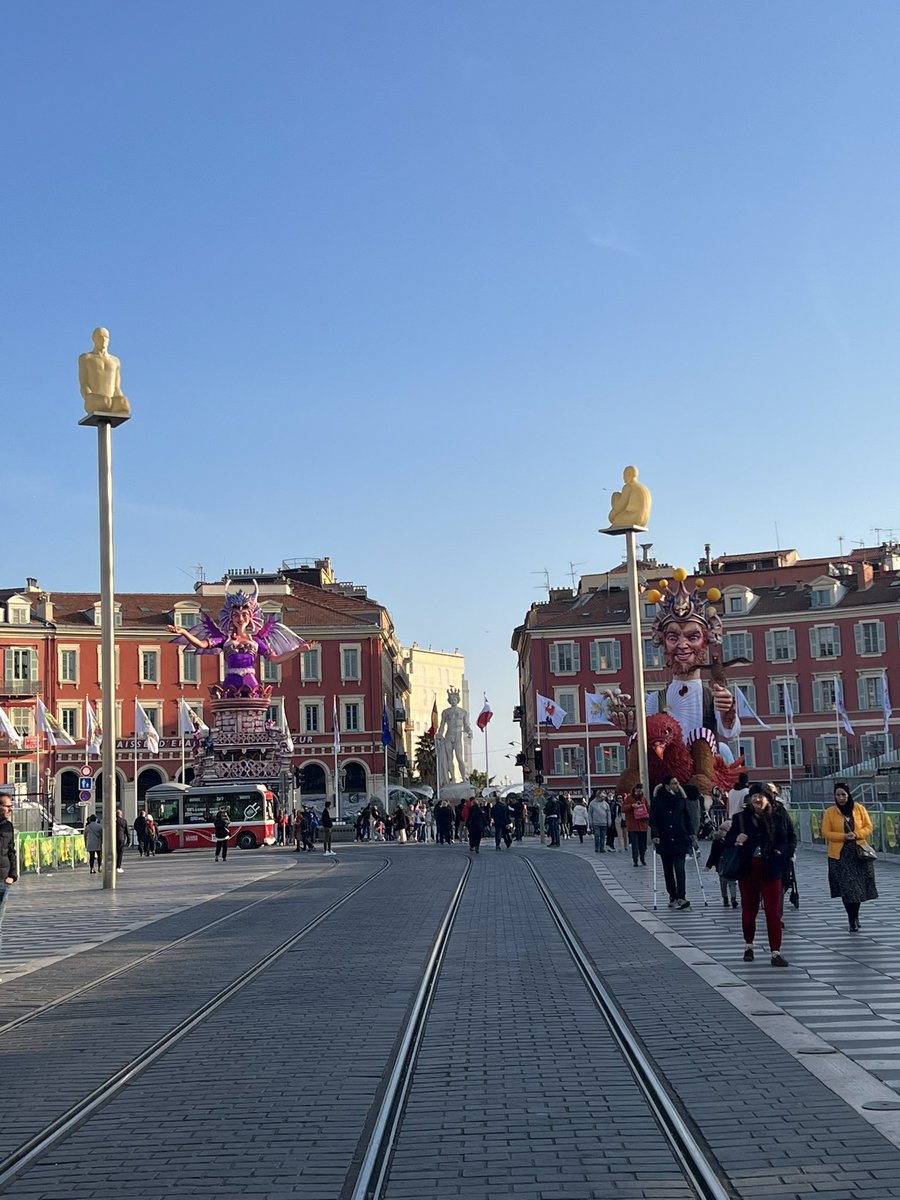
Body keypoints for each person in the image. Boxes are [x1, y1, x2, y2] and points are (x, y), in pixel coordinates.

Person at [723, 782, 795, 965]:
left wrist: (781, 853)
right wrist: (736, 838)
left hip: (772, 868)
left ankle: (776, 952)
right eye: (754, 796)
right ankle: (749, 945)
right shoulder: (741, 818)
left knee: (773, 912)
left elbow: (790, 838)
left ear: (768, 798)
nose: (756, 799)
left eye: (760, 796)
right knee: (749, 911)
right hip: (748, 869)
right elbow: (728, 840)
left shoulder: (778, 816)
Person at [822, 780, 878, 932]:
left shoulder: (859, 809)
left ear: (848, 795)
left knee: (857, 888)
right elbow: (826, 832)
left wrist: (857, 834)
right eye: (838, 795)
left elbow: (868, 826)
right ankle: (851, 918)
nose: (841, 798)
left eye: (843, 795)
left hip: (858, 854)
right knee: (847, 889)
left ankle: (855, 915)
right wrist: (843, 836)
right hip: (840, 856)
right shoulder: (830, 812)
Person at [650, 777, 694, 910]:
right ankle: (673, 896)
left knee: (680, 869)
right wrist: (655, 835)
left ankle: (681, 897)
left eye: (677, 783)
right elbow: (653, 820)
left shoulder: (681, 800)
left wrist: (691, 832)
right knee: (668, 871)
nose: (677, 785)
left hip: (680, 837)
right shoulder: (657, 800)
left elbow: (687, 817)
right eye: (674, 783)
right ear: (667, 786)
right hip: (664, 838)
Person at [78, 326, 131, 419]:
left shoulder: (115, 361)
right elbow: (84, 384)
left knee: (124, 403)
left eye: (106, 337)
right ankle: (105, 404)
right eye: (100, 336)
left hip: (110, 400)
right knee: (105, 402)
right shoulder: (86, 358)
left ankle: (112, 404)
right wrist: (88, 398)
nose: (103, 339)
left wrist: (119, 400)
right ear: (94, 338)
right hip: (95, 399)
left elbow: (116, 387)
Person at [435, 689, 473, 784]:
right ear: (449, 700)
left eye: (455, 699)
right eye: (451, 699)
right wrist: (439, 735)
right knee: (449, 758)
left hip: (458, 736)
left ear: (458, 699)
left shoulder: (463, 712)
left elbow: (466, 725)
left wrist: (469, 731)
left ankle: (464, 778)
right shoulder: (445, 712)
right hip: (448, 735)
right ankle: (453, 779)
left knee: (459, 758)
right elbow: (442, 725)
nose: (453, 701)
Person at [0, 792, 18, 966]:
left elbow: (11, 850)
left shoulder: (8, 826)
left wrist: (13, 875)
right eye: (7, 806)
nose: (10, 809)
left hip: (3, 879)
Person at [706, 819, 738, 908]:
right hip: (720, 866)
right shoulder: (717, 842)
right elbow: (713, 854)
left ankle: (733, 898)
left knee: (732, 882)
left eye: (724, 830)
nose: (721, 832)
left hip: (731, 866)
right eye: (720, 829)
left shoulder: (733, 842)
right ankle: (725, 898)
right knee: (723, 883)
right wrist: (708, 865)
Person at [622, 785, 649, 866]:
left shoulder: (643, 798)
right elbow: (623, 808)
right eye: (638, 790)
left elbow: (648, 808)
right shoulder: (629, 798)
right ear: (635, 789)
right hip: (633, 825)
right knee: (635, 844)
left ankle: (642, 858)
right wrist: (632, 806)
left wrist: (648, 815)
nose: (639, 791)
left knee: (643, 844)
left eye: (641, 790)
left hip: (642, 825)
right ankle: (635, 860)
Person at [115, 808, 129, 873]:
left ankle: (112, 865)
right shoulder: (124, 821)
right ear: (121, 814)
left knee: (112, 853)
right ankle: (118, 866)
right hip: (121, 838)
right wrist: (128, 840)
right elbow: (127, 831)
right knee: (120, 853)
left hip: (112, 839)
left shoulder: (113, 821)